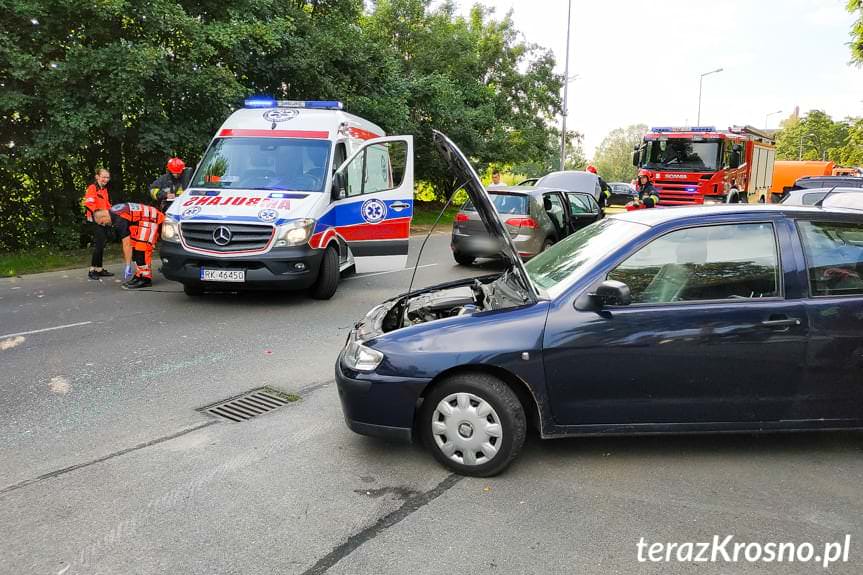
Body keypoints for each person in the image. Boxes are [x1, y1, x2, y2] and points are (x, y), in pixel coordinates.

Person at [95, 203, 165, 289]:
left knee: (141, 250)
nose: (104, 225)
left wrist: (128, 265)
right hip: (143, 220)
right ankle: (139, 275)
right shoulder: (114, 211)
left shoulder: (118, 219)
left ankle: (145, 278)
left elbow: (126, 244)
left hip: (151, 220)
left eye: (102, 222)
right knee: (136, 249)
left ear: (103, 216)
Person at [82, 168, 115, 280]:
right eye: (103, 177)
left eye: (107, 177)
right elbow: (88, 204)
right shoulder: (92, 188)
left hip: (104, 220)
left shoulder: (104, 189)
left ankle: (99, 269)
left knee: (102, 244)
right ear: (97, 177)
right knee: (99, 244)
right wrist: (98, 216)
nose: (106, 179)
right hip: (95, 221)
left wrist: (112, 215)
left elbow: (107, 205)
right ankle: (92, 270)